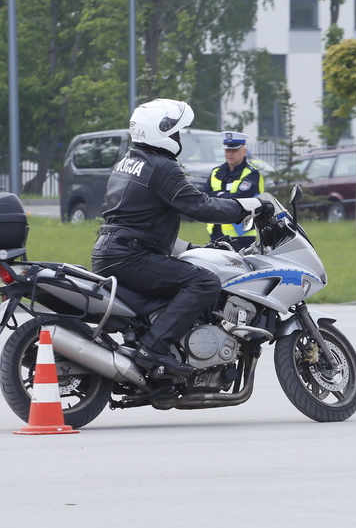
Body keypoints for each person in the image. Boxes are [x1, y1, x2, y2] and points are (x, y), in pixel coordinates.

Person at [91, 99, 259, 377]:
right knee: (205, 282)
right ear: (162, 132)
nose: (179, 138)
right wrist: (246, 206)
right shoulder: (162, 167)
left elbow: (135, 215)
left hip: (113, 251)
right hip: (131, 256)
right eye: (176, 132)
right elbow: (200, 206)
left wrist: (186, 248)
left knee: (189, 273)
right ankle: (153, 348)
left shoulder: (128, 161)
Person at [202, 131, 266, 251]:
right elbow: (204, 197)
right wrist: (225, 197)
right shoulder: (216, 172)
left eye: (234, 150)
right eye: (227, 150)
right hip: (216, 231)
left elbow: (240, 199)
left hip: (242, 234)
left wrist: (217, 196)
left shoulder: (252, 173)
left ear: (244, 151)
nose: (230, 154)